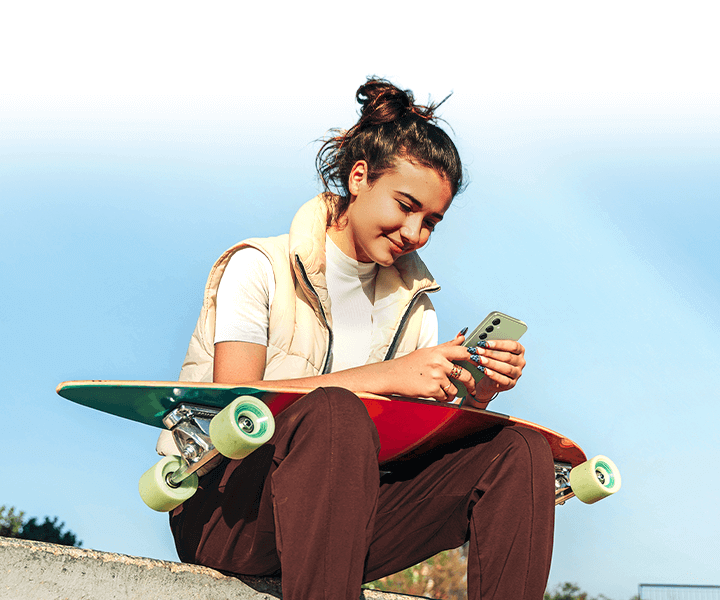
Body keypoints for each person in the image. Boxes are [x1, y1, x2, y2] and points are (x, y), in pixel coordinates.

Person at [162, 78, 555, 600]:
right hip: (226, 512)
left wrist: (474, 394)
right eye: (405, 205)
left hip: (344, 520)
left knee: (519, 449)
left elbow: (409, 446)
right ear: (360, 176)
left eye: (431, 221)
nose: (414, 232)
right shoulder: (258, 266)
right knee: (334, 414)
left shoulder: (416, 305)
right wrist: (391, 376)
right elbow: (233, 404)